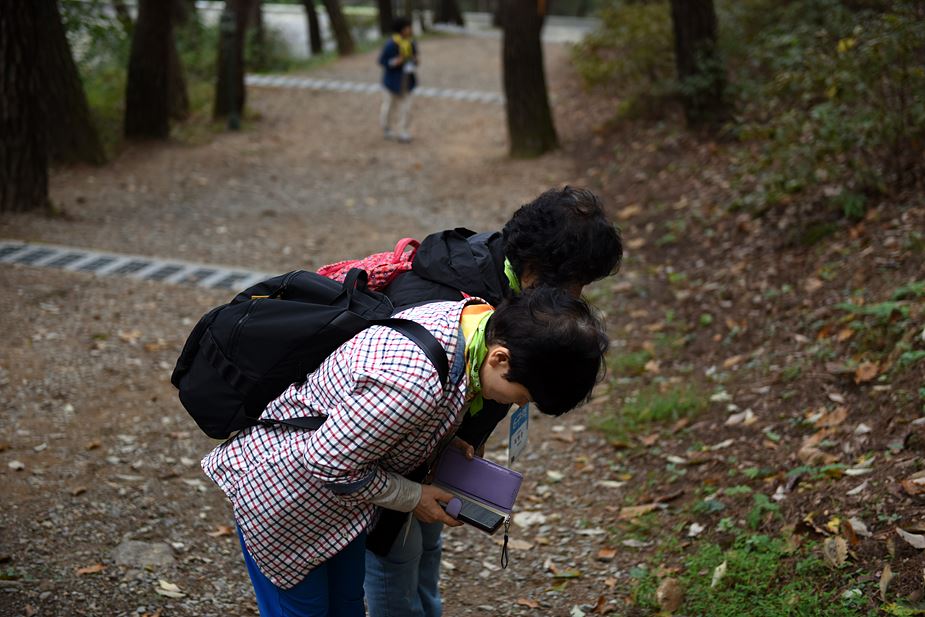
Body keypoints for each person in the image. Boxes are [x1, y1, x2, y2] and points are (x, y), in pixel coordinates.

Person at [202, 287, 609, 617]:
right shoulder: (413, 383)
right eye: (523, 395)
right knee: (304, 611)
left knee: (346, 605)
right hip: (285, 504)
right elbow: (327, 462)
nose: (519, 404)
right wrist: (415, 497)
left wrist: (440, 440)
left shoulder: (471, 321)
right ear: (501, 358)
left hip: (342, 510)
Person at [364, 185, 623, 617]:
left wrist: (467, 435)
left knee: (427, 543)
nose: (578, 295)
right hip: (395, 464)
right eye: (576, 282)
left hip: (437, 452)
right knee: (396, 552)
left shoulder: (512, 283)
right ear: (536, 268)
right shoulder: (451, 299)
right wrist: (411, 488)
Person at [379, 17, 418, 143]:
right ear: (401, 29)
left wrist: (415, 60)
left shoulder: (411, 43)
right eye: (407, 27)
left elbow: (414, 59)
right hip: (391, 82)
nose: (410, 30)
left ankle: (403, 131)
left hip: (407, 80)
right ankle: (387, 128)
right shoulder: (391, 44)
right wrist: (396, 61)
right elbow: (382, 61)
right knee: (389, 106)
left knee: (406, 108)